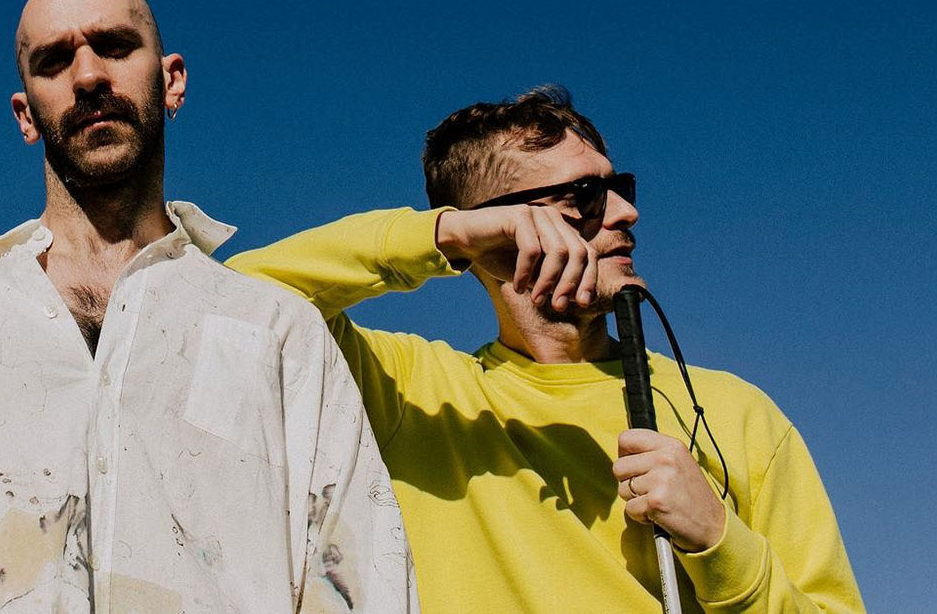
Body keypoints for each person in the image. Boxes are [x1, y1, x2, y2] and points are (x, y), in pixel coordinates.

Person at [0, 0, 416, 613]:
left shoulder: (278, 333)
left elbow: (364, 586)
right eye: (54, 61)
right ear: (25, 115)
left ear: (172, 80)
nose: (87, 76)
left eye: (113, 46)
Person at [227, 87, 865, 614]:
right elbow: (239, 297)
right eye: (583, 198)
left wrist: (721, 545)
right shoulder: (411, 391)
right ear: (497, 226)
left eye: (620, 187)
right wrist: (448, 235)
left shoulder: (737, 412)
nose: (625, 213)